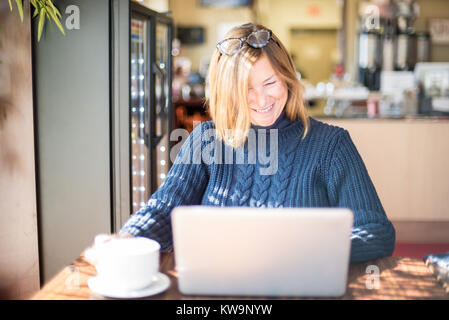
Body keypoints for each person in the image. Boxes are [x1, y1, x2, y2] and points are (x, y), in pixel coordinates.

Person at [97, 23, 396, 264]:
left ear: (288, 79)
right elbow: (164, 210)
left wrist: (305, 252)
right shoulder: (205, 141)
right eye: (246, 89)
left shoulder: (332, 144)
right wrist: (129, 237)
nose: (262, 100)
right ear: (227, 92)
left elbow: (376, 232)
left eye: (270, 83)